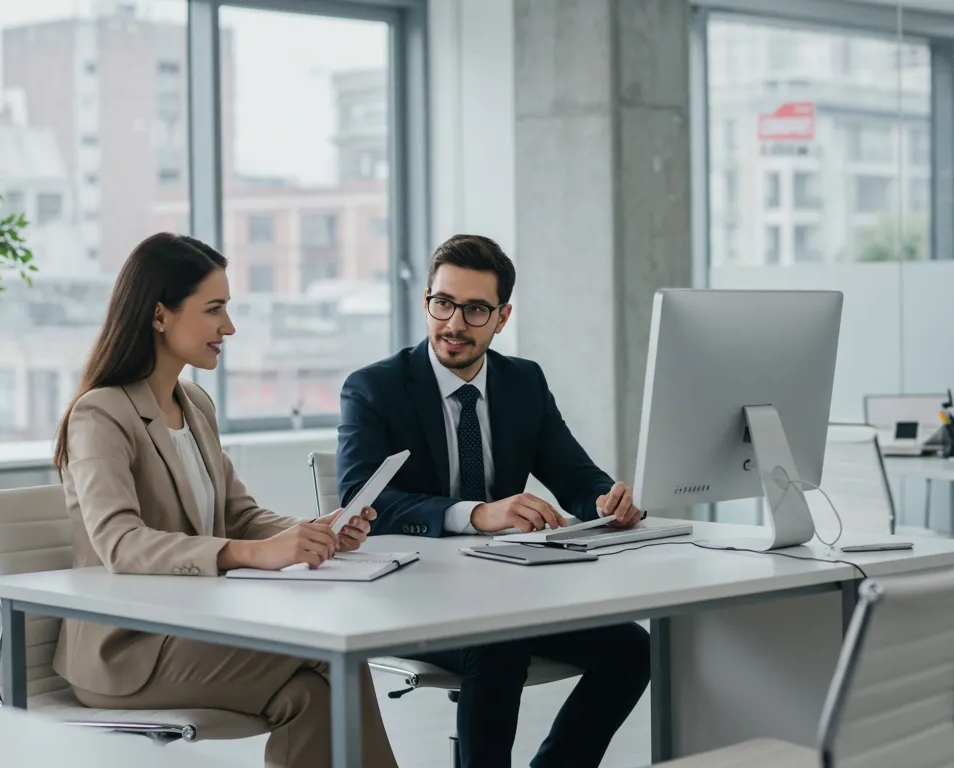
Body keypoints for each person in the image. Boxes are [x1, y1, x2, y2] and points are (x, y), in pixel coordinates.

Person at [51, 232, 398, 768]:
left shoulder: (194, 404)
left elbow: (240, 515)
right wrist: (250, 553)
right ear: (160, 315)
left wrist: (313, 531)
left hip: (196, 634)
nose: (229, 327)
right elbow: (121, 543)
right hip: (129, 653)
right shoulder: (101, 413)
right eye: (214, 309)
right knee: (337, 656)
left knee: (311, 697)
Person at [335, 234, 650, 768]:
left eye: (476, 309)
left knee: (632, 650)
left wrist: (606, 501)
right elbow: (363, 502)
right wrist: (479, 514)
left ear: (502, 318)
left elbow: (572, 472)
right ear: (427, 302)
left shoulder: (522, 382)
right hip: (411, 600)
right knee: (497, 646)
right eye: (444, 303)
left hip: (509, 595)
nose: (455, 323)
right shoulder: (374, 389)